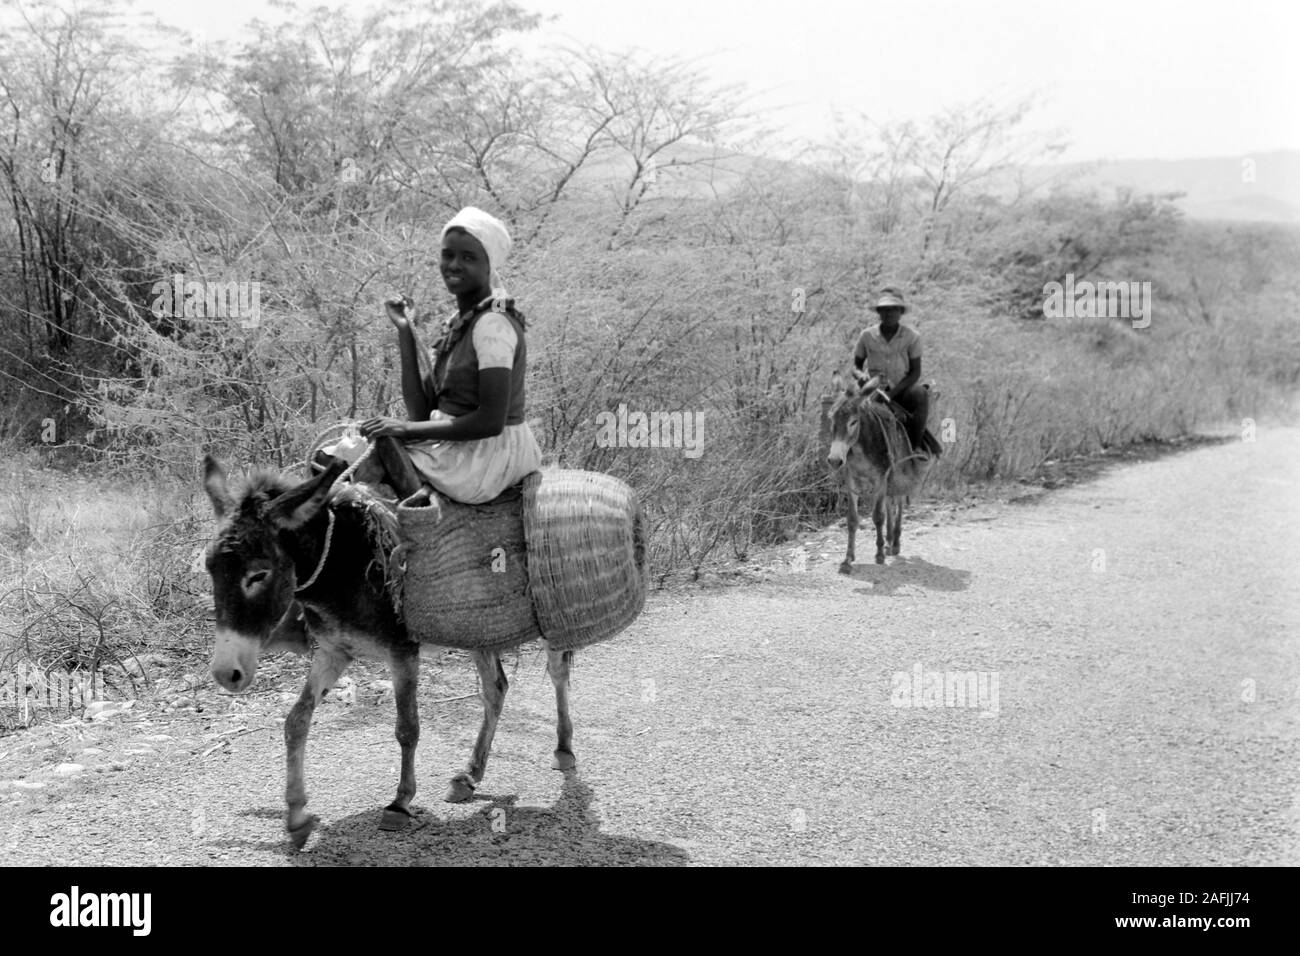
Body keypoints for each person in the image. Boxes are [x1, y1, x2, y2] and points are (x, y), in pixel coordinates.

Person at [334, 206, 543, 503]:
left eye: (468, 257)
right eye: (448, 255)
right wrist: (405, 331)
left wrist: (404, 429)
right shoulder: (461, 323)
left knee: (362, 475)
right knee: (340, 456)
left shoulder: (493, 324)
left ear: (489, 266)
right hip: (457, 445)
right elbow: (421, 412)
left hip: (487, 455)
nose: (454, 265)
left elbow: (491, 422)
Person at [851, 287, 936, 457]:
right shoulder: (866, 336)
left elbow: (915, 372)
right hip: (872, 389)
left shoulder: (912, 337)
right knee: (843, 406)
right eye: (884, 310)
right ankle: (845, 450)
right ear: (879, 313)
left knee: (920, 394)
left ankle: (914, 447)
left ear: (900, 312)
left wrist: (893, 393)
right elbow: (856, 366)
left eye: (893, 309)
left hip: (901, 389)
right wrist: (862, 377)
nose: (889, 313)